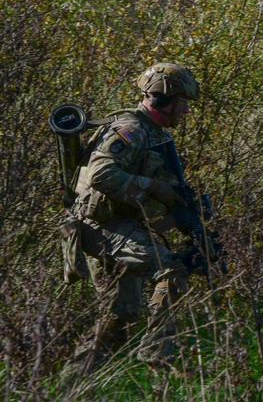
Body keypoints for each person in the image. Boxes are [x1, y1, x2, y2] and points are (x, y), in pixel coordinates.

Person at [68, 62, 200, 374]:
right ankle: (158, 355)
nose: (186, 111)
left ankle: (69, 386)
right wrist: (154, 186)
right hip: (98, 225)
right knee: (171, 270)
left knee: (120, 314)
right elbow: (101, 175)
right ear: (163, 100)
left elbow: (141, 199)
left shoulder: (155, 135)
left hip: (116, 225)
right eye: (183, 103)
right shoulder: (132, 130)